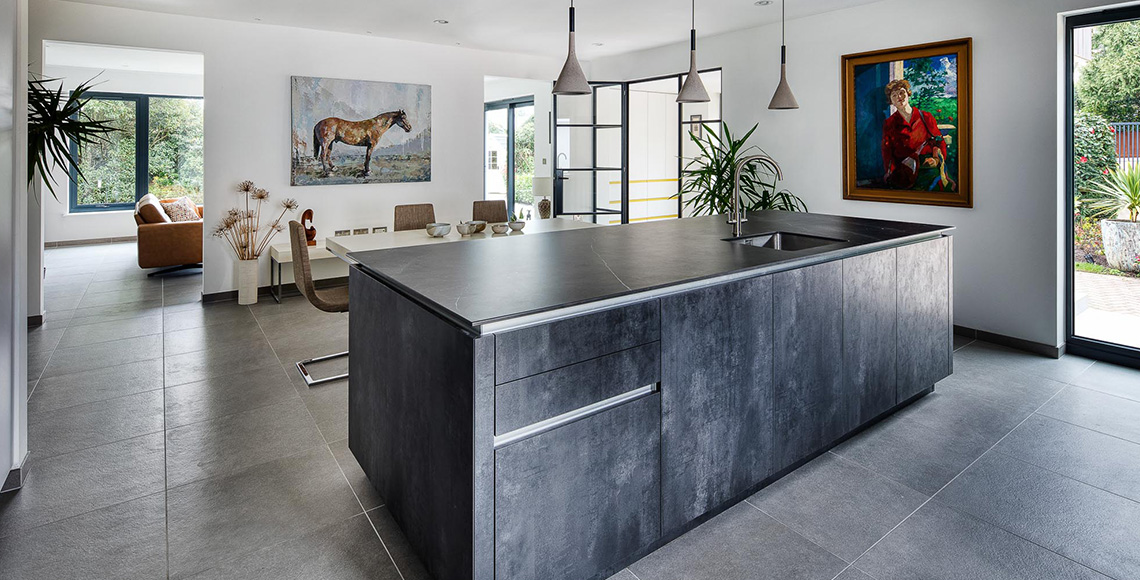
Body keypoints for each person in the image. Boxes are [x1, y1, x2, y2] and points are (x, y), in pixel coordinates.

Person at [880, 79, 955, 191]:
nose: (899, 97)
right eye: (894, 95)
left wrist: (935, 160)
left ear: (908, 94)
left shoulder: (925, 117)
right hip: (904, 169)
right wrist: (889, 171)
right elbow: (887, 150)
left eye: (901, 92)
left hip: (926, 167)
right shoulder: (890, 123)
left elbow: (938, 141)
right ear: (891, 101)